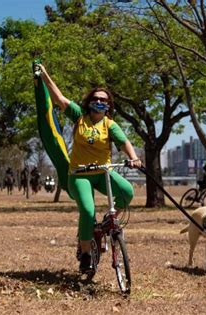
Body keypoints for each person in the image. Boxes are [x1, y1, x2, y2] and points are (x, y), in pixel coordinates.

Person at [37, 63, 142, 274]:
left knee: (127, 192)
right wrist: (45, 75)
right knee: (87, 210)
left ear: (109, 105)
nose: (99, 102)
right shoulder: (79, 117)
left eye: (103, 100)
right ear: (89, 102)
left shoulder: (110, 124)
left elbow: (124, 143)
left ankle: (105, 224)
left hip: (103, 173)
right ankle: (85, 253)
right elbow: (60, 99)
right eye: (96, 99)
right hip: (79, 175)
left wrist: (133, 157)